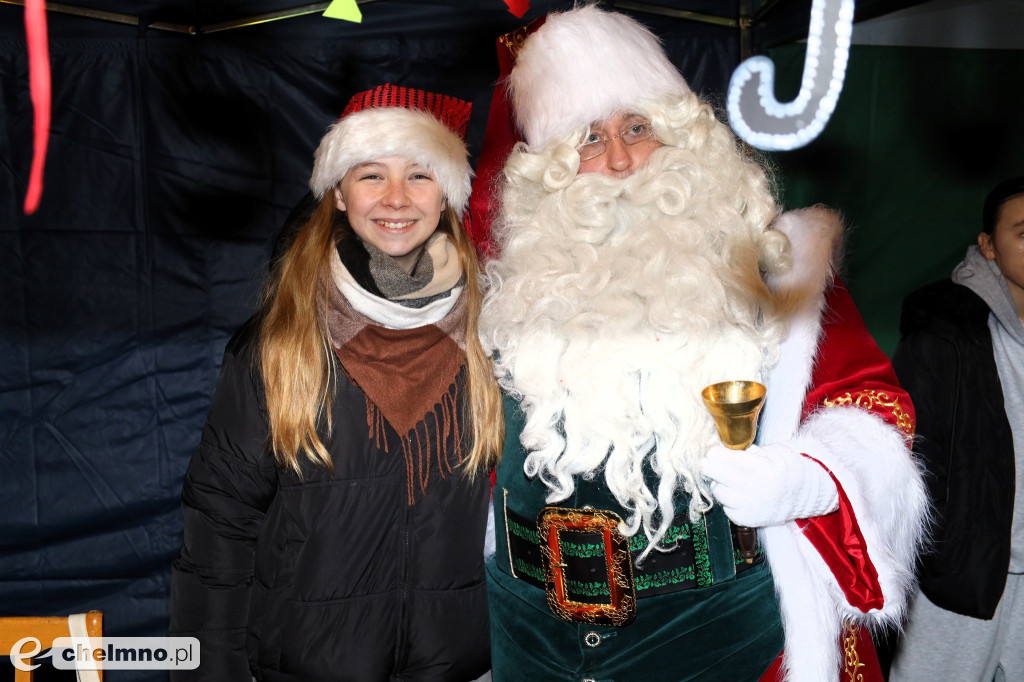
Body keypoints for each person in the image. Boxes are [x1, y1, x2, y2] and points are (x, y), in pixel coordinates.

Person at [472, 7, 928, 682]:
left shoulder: (776, 266)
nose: (622, 159)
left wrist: (806, 479)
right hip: (530, 632)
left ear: (683, 133)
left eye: (638, 127)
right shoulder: (512, 287)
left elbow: (875, 408)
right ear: (557, 170)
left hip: (717, 633)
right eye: (589, 141)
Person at [168, 83, 503, 681]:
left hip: (462, 667)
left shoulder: (493, 339)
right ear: (340, 195)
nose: (396, 198)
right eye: (371, 175)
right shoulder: (281, 346)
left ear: (448, 196)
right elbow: (219, 526)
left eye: (421, 176)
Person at [888, 177, 1024, 682]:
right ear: (988, 246)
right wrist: (943, 559)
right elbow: (909, 462)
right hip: (963, 583)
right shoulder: (944, 332)